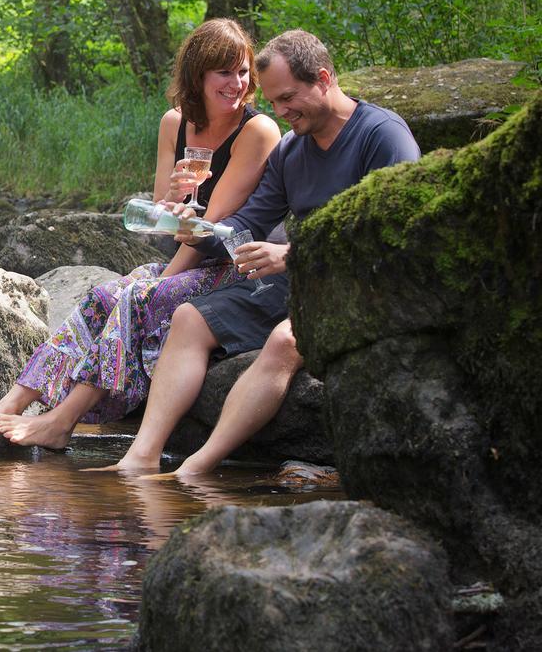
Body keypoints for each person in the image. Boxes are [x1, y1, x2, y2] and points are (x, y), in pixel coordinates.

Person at [101, 29, 421, 476]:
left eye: (288, 98)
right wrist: (198, 230)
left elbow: (398, 233)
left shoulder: (382, 136)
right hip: (299, 279)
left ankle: (194, 469)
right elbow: (249, 221)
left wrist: (291, 254)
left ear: (324, 78)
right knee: (190, 317)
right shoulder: (293, 148)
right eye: (272, 101)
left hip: (361, 284)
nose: (281, 112)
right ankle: (142, 455)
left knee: (285, 340)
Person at [0, 18, 281, 456]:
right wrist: (173, 195)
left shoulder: (258, 131)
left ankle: (60, 420)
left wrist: (160, 280)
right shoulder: (175, 123)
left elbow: (210, 229)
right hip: (188, 256)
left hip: (235, 266)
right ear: (197, 75)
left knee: (135, 299)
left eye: (243, 72)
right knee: (99, 297)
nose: (237, 84)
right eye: (224, 72)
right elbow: (160, 218)